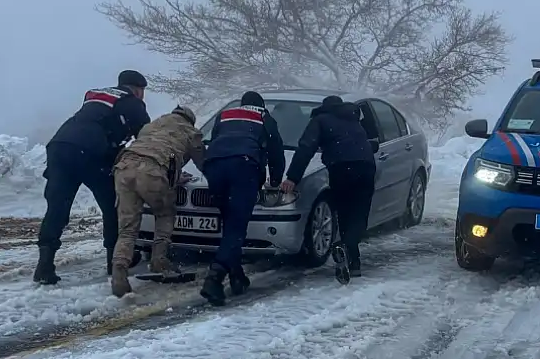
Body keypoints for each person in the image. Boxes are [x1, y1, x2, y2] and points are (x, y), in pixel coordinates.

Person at [35, 70, 150, 285]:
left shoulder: (96, 94)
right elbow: (147, 136)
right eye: (143, 91)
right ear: (137, 89)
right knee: (112, 204)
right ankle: (114, 261)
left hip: (59, 146)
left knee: (57, 207)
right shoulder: (132, 102)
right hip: (91, 152)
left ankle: (44, 264)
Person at [198, 91, 286, 306]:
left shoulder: (225, 114)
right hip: (244, 166)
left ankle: (237, 276)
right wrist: (275, 181)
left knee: (230, 225)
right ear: (261, 105)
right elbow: (276, 152)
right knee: (237, 226)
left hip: (214, 166)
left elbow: (214, 139)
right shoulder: (265, 118)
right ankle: (214, 278)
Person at [110, 105, 206, 298]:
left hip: (124, 166)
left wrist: (172, 174)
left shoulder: (151, 125)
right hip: (153, 171)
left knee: (128, 227)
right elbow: (203, 163)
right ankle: (159, 260)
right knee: (164, 213)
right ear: (190, 120)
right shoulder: (191, 132)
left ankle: (119, 271)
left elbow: (150, 150)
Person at [280, 95, 377, 282]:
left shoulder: (321, 120)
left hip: (341, 169)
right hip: (366, 168)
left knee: (344, 213)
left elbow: (305, 148)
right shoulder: (354, 120)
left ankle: (344, 247)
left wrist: (293, 177)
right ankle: (353, 262)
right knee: (358, 216)